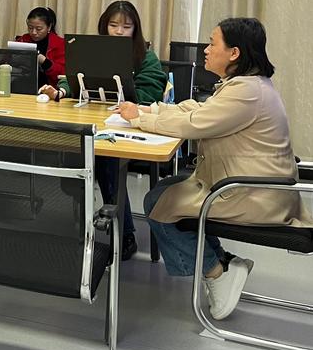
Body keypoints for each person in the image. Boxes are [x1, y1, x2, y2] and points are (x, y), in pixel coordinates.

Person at [118, 17, 313, 320]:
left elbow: (195, 124)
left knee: (157, 205)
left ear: (234, 53)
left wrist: (140, 119)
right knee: (164, 191)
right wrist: (149, 109)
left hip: (253, 194)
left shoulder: (247, 91)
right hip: (251, 186)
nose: (206, 50)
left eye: (212, 43)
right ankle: (224, 261)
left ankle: (216, 271)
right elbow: (200, 110)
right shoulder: (246, 85)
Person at [39, 0, 167, 260]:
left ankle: (125, 235)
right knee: (74, 153)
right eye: (113, 25)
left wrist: (126, 100)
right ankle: (85, 223)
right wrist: (61, 91)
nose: (119, 31)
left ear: (135, 29)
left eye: (126, 26)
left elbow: (151, 93)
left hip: (130, 128)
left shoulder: (146, 56)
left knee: (107, 162)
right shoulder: (92, 51)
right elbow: (73, 78)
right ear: (104, 26)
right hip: (93, 123)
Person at [14, 7, 65, 87]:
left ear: (49, 27)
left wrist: (44, 62)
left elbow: (62, 74)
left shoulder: (59, 43)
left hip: (48, 87)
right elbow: (4, 63)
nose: (34, 32)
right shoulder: (23, 40)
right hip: (22, 83)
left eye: (39, 29)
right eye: (30, 28)